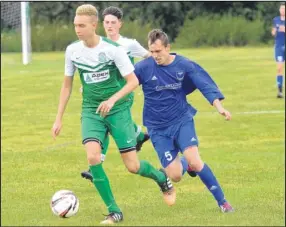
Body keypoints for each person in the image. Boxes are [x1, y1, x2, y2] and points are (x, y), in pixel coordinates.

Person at [51, 6, 175, 224]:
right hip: (91, 111)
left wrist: (112, 100)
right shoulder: (72, 51)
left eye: (81, 25)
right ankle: (114, 211)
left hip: (117, 110)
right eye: (75, 26)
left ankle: (161, 177)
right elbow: (67, 86)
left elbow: (133, 81)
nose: (77, 30)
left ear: (93, 25)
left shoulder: (113, 49)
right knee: (92, 157)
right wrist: (58, 118)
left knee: (133, 166)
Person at [134, 29, 234, 213]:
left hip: (181, 120)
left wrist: (219, 107)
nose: (155, 56)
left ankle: (223, 202)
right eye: (152, 51)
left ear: (168, 48)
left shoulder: (184, 64)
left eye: (158, 51)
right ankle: (185, 164)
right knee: (175, 175)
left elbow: (205, 85)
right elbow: (125, 82)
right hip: (157, 128)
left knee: (196, 161)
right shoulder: (143, 67)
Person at [80, 6, 151, 182]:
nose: (110, 26)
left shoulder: (129, 44)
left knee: (105, 118)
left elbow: (149, 57)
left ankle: (94, 166)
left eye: (113, 22)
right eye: (106, 22)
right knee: (104, 119)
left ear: (120, 24)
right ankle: (139, 135)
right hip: (104, 94)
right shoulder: (99, 44)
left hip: (124, 93)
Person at [271, 3, 285, 98]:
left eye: (284, 9)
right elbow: (273, 33)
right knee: (279, 68)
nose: (283, 10)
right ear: (279, 10)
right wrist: (275, 30)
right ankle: (280, 91)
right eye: (282, 9)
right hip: (279, 47)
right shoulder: (276, 20)